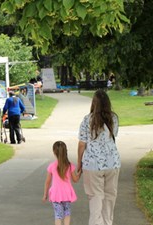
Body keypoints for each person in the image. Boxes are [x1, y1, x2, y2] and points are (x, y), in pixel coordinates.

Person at [77, 89, 120, 225]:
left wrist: (79, 164)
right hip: (112, 163)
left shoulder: (87, 120)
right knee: (109, 198)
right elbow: (113, 137)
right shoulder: (114, 118)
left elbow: (81, 144)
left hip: (93, 164)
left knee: (95, 198)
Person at [43, 141, 81, 225]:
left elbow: (47, 182)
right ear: (65, 151)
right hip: (67, 194)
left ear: (54, 152)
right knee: (67, 213)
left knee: (58, 215)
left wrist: (45, 194)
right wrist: (80, 173)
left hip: (55, 194)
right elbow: (75, 180)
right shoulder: (69, 166)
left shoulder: (51, 166)